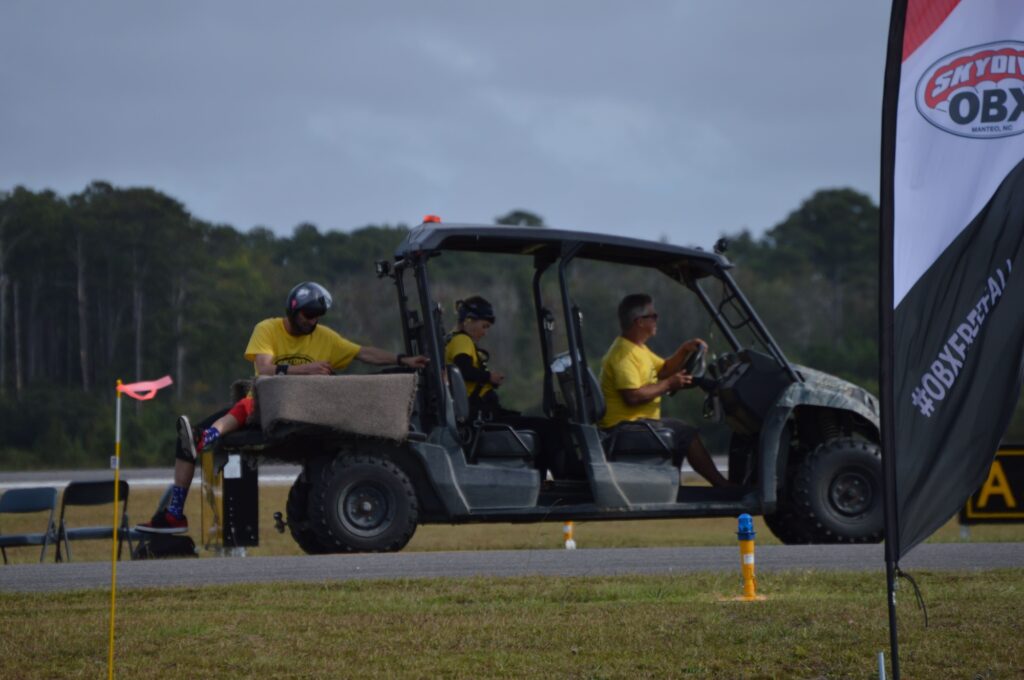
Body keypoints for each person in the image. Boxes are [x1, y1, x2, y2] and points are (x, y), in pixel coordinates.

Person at [136, 281, 428, 534]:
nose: (313, 321)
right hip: (264, 405)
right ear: (292, 309)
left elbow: (363, 353)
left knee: (236, 412)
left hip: (302, 410)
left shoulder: (325, 337)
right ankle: (174, 514)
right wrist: (306, 369)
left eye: (318, 316)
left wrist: (402, 360)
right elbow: (264, 369)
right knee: (188, 441)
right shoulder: (268, 329)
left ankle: (209, 437)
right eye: (308, 315)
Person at [597, 293, 731, 487]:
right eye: (653, 316)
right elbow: (633, 396)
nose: (656, 319)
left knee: (681, 430)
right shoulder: (623, 355)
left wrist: (684, 350)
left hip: (637, 424)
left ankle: (677, 486)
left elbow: (665, 369)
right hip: (623, 428)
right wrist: (668, 385)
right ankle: (722, 486)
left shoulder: (638, 349)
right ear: (639, 322)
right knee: (685, 433)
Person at [445, 296, 562, 473]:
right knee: (549, 429)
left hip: (483, 415)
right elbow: (464, 369)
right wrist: (489, 377)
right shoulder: (462, 340)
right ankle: (549, 481)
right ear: (468, 321)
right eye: (484, 326)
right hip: (482, 418)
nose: (485, 332)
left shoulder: (453, 340)